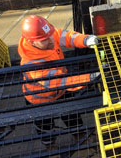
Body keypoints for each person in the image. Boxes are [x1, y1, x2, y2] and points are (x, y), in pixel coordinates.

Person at [18, 15, 99, 146]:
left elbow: (66, 36)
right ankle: (50, 146)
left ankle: (82, 137)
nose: (51, 40)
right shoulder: (32, 63)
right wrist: (90, 77)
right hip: (40, 100)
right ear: (32, 42)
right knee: (45, 126)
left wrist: (85, 40)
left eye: (50, 34)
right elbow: (60, 81)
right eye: (44, 40)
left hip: (60, 92)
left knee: (72, 115)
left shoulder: (47, 37)